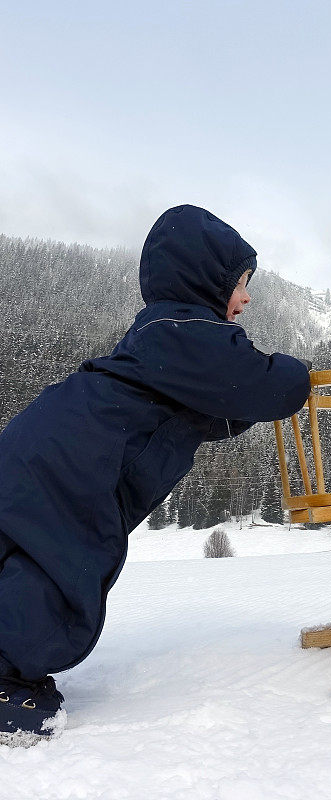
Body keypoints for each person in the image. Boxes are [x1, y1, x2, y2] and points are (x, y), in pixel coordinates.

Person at [0, 204, 311, 746]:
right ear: (206, 280)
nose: (246, 298)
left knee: (23, 553)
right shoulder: (188, 332)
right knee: (56, 566)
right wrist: (302, 373)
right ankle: (6, 681)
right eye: (241, 283)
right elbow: (268, 386)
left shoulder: (168, 335)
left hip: (47, 454)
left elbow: (205, 411)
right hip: (65, 471)